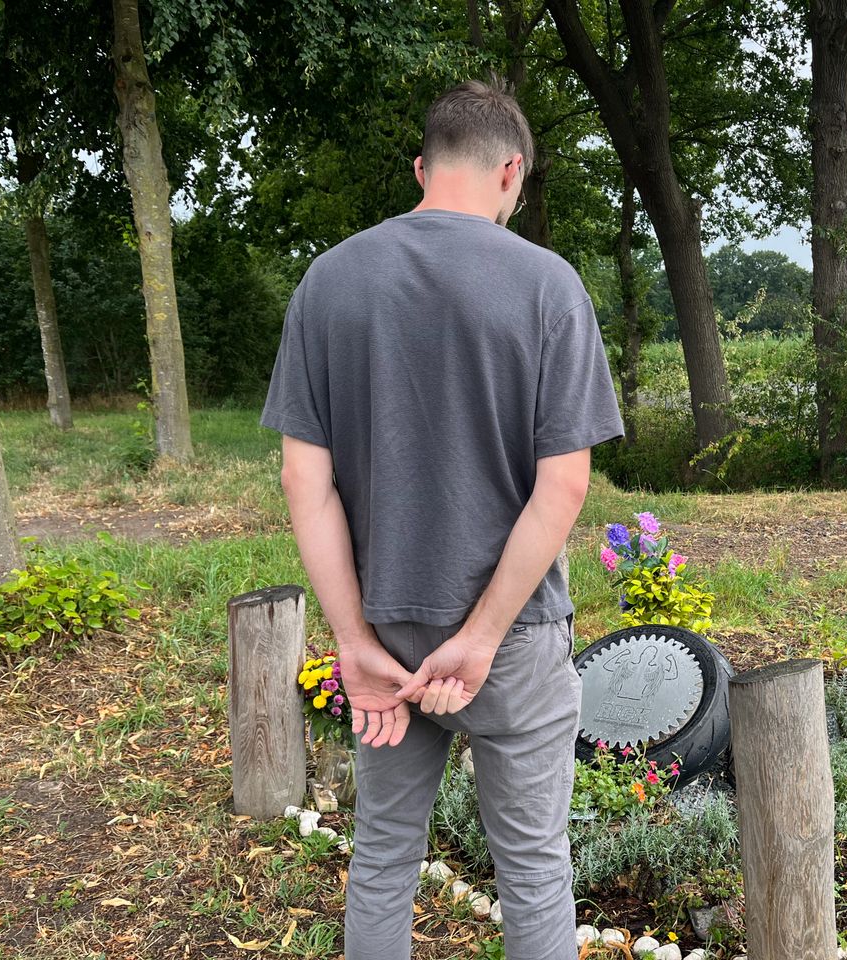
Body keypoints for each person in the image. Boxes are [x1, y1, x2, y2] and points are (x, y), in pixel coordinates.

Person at [259, 77, 624, 960]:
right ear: (512, 172)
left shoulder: (328, 282)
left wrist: (352, 641)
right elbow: (564, 488)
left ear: (422, 168)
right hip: (513, 641)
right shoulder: (548, 286)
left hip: (384, 635)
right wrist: (484, 636)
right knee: (533, 869)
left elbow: (304, 481)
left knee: (384, 856)